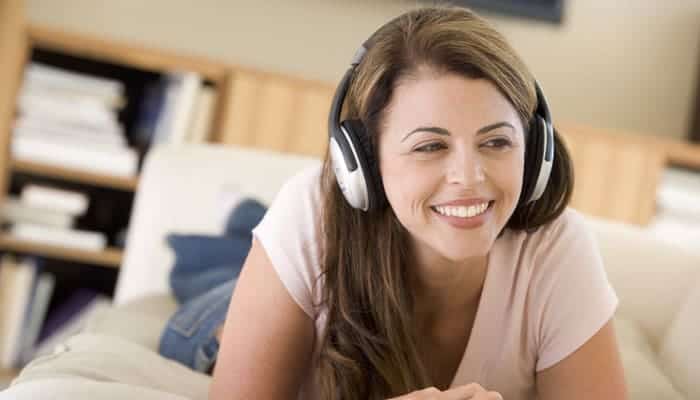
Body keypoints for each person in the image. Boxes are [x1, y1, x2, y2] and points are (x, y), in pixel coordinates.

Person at [204, 6, 627, 400]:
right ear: (366, 163)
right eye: (429, 146)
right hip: (210, 319)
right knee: (213, 274)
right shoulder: (310, 213)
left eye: (496, 141)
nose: (470, 177)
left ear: (535, 154)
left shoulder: (557, 248)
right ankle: (243, 225)